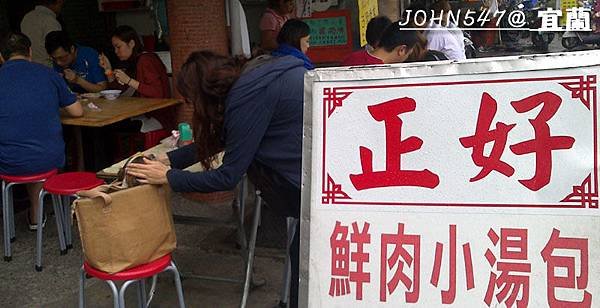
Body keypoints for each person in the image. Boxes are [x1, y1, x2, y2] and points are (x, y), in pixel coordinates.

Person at [125, 51, 306, 308]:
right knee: (302, 259)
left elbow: (227, 176)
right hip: (317, 178)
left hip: (314, 184)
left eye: (191, 100)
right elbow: (224, 138)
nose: (192, 107)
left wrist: (169, 177)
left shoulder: (248, 95)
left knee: (307, 265)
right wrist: (170, 160)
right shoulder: (254, 77)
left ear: (204, 92)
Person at [0, 32, 83, 230]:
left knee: (22, 146)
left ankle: (31, 216)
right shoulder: (49, 74)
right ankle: (36, 215)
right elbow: (77, 111)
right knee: (36, 150)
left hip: (6, 162)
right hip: (48, 159)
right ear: (30, 52)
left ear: (1, 56)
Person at [99, 25, 173, 129]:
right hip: (143, 113)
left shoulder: (146, 60)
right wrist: (108, 71)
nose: (116, 51)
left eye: (118, 47)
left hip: (157, 117)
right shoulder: (133, 62)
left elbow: (158, 93)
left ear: (132, 43)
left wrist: (129, 80)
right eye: (114, 48)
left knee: (110, 127)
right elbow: (120, 92)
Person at [341, 22, 418, 66]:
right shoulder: (384, 74)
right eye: (409, 54)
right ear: (402, 50)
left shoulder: (353, 57)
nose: (407, 57)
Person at [20, 0, 64, 66]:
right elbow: (57, 50)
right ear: (58, 2)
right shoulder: (50, 21)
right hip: (48, 67)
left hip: (29, 65)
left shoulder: (27, 18)